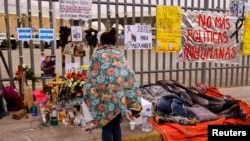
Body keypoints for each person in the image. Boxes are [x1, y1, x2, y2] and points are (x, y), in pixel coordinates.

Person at [82, 28, 142, 141]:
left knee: (106, 126)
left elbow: (91, 77)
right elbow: (128, 75)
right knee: (116, 125)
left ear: (102, 42)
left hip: (104, 98)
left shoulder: (98, 54)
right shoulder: (120, 54)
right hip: (119, 97)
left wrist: (87, 93)